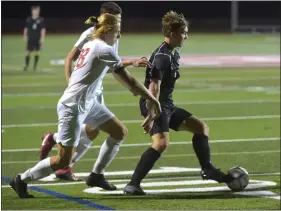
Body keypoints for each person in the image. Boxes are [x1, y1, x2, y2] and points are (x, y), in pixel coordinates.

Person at [10, 13, 161, 198]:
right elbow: (129, 81)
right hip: (72, 106)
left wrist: (132, 66)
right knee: (63, 160)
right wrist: (152, 99)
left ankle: (96, 175)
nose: (119, 36)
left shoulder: (92, 44)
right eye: (117, 32)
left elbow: (113, 69)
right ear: (107, 31)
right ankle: (22, 179)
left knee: (119, 131)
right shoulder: (103, 48)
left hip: (88, 104)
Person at [123, 11, 234, 195]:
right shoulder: (162, 57)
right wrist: (152, 114)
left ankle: (207, 169)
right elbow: (154, 87)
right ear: (173, 34)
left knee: (200, 128)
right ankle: (133, 184)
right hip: (155, 103)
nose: (186, 37)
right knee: (161, 144)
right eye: (184, 33)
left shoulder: (173, 53)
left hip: (167, 104)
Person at [39, 2, 149, 184]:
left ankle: (61, 153)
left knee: (93, 131)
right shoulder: (89, 34)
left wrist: (132, 62)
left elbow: (112, 65)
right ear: (104, 17)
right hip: (84, 93)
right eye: (116, 20)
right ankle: (59, 156)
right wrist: (71, 85)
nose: (118, 25)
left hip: (96, 91)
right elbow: (70, 58)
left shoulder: (114, 35)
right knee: (97, 130)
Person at [23, 5, 46, 71]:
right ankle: (26, 66)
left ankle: (35, 67)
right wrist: (25, 35)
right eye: (35, 11)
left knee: (37, 52)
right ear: (32, 11)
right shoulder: (29, 19)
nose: (36, 12)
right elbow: (26, 28)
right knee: (27, 52)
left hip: (37, 39)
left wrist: (42, 38)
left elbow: (43, 29)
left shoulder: (41, 20)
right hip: (30, 38)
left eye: (37, 11)